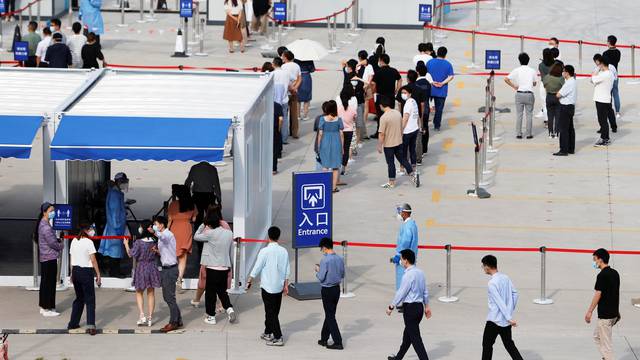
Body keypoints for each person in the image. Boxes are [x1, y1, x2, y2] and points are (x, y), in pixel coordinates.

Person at [247, 226, 291, 347]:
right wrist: (286, 285)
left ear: (268, 236)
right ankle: (268, 332)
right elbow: (287, 269)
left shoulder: (265, 251)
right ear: (278, 236)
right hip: (279, 286)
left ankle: (278, 337)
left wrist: (249, 280)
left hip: (267, 286)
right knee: (273, 311)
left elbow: (257, 267)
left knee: (271, 312)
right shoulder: (284, 251)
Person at [386, 249, 431, 360]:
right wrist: (427, 306)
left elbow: (401, 292)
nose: (400, 261)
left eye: (401, 259)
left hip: (410, 309)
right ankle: (398, 358)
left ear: (406, 260)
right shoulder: (420, 273)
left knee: (415, 338)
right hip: (419, 308)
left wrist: (391, 306)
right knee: (408, 336)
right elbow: (425, 291)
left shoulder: (408, 275)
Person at [193, 212, 237, 325]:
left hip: (212, 267)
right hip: (225, 266)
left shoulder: (209, 233)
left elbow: (196, 236)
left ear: (209, 223)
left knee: (210, 293)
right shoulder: (229, 233)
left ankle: (211, 316)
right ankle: (229, 308)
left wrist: (202, 224)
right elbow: (231, 250)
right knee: (222, 291)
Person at [481, 255, 523, 360]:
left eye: (483, 266)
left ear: (487, 267)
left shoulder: (492, 283)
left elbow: (499, 302)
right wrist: (509, 311)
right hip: (506, 321)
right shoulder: (505, 277)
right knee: (509, 345)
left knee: (487, 345)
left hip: (494, 320)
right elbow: (515, 294)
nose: (483, 268)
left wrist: (509, 317)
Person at [190, 205, 232, 310]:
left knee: (204, 282)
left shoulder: (207, 226)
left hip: (208, 260)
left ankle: (197, 300)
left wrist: (202, 224)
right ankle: (222, 305)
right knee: (222, 285)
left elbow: (197, 237)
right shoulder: (225, 225)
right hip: (223, 260)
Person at [123, 220, 161, 327]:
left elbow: (131, 254)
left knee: (139, 292)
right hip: (152, 267)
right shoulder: (154, 240)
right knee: (151, 293)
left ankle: (142, 315)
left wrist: (126, 244)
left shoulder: (139, 242)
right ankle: (150, 318)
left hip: (141, 267)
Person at [585, 248, 620, 360]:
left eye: (595, 259)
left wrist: (590, 311)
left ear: (600, 259)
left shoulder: (602, 276)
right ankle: (606, 358)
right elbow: (615, 293)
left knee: (606, 347)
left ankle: (608, 358)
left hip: (605, 316)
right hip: (613, 314)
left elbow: (598, 295)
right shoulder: (615, 273)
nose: (594, 262)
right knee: (597, 336)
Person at [378, 96, 419, 189]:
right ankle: (413, 175)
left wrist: (379, 146)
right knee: (403, 159)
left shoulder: (384, 117)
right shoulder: (397, 113)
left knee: (391, 163)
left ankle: (391, 182)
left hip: (388, 145)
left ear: (381, 105)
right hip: (399, 142)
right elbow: (401, 126)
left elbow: (381, 134)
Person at [149, 216, 183, 332]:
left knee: (169, 297)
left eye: (156, 224)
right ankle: (178, 320)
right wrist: (157, 251)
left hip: (170, 269)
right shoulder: (162, 236)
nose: (155, 226)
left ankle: (173, 322)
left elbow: (163, 237)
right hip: (166, 269)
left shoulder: (167, 234)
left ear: (162, 225)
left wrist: (154, 232)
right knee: (168, 297)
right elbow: (166, 251)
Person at [67, 224, 101, 336]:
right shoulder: (89, 242)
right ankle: (91, 326)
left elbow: (72, 259)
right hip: (86, 272)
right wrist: (98, 274)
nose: (92, 231)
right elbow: (93, 260)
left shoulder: (74, 241)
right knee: (90, 300)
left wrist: (72, 274)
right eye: (91, 229)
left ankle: (73, 323)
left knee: (79, 298)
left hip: (76, 271)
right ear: (86, 230)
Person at [315, 237, 345, 350]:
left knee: (330, 316)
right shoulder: (339, 258)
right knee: (330, 314)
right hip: (336, 289)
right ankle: (324, 338)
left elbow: (321, 277)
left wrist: (317, 271)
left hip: (327, 290)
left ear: (324, 247)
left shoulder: (325, 260)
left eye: (321, 249)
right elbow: (342, 274)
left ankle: (338, 341)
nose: (322, 251)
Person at [35, 202, 63, 317]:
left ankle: (43, 306)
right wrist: (61, 245)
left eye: (53, 211)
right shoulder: (45, 227)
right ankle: (47, 308)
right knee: (49, 284)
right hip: (49, 258)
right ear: (44, 212)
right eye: (51, 211)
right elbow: (52, 243)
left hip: (46, 257)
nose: (53, 213)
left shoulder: (43, 224)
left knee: (45, 283)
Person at [99, 172, 128, 278]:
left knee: (116, 250)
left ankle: (116, 270)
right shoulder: (115, 194)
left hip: (116, 226)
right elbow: (114, 211)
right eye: (123, 182)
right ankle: (114, 271)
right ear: (119, 182)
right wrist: (117, 225)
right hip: (115, 227)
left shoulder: (116, 192)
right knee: (114, 250)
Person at [168, 185, 197, 286]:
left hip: (174, 229)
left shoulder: (173, 204)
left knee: (173, 254)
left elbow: (170, 219)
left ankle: (172, 277)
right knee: (183, 257)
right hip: (186, 229)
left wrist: (166, 231)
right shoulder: (192, 204)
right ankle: (180, 278)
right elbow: (194, 219)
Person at [185, 161, 221, 237]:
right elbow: (216, 185)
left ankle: (198, 240)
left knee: (198, 219)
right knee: (211, 217)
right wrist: (219, 199)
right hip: (209, 196)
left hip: (197, 196)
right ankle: (212, 236)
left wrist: (186, 196)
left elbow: (188, 183)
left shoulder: (194, 168)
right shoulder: (212, 168)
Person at [505, 53, 537, 139]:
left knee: (519, 114)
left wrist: (514, 86)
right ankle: (529, 134)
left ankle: (519, 133)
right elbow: (534, 83)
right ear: (528, 60)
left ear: (519, 61)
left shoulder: (516, 70)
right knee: (529, 114)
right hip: (529, 94)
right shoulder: (532, 70)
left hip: (519, 94)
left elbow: (506, 79)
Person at [371, 54, 402, 138]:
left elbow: (373, 84)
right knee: (390, 115)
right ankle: (390, 132)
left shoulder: (378, 72)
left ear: (381, 61)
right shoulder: (394, 71)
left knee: (380, 116)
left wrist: (374, 92)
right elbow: (400, 79)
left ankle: (380, 132)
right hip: (391, 96)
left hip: (381, 96)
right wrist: (397, 89)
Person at [317, 100, 345, 192]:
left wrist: (318, 145)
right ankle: (333, 187)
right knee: (335, 167)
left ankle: (325, 186)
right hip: (336, 142)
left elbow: (320, 134)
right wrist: (342, 147)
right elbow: (341, 134)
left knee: (325, 165)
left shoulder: (322, 119)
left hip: (325, 142)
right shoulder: (339, 119)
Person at [391, 203, 419, 294]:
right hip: (410, 258)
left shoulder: (407, 226)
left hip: (404, 260)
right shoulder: (412, 225)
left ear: (404, 213)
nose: (399, 214)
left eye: (400, 212)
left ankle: (402, 303)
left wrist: (398, 256)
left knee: (402, 282)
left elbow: (405, 243)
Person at [427, 47, 454, 131]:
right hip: (441, 90)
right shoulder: (448, 64)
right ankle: (436, 125)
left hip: (430, 88)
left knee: (426, 107)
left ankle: (424, 123)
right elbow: (451, 76)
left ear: (437, 52)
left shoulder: (430, 62)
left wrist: (432, 82)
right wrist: (442, 83)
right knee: (439, 109)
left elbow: (426, 74)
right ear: (445, 55)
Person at [591, 55, 615, 147]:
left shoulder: (605, 74)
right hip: (602, 98)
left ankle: (605, 139)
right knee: (602, 120)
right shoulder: (607, 73)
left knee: (603, 120)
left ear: (602, 64)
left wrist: (595, 72)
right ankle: (604, 137)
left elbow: (593, 79)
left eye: (599, 64)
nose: (598, 66)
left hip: (602, 99)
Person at [341, 59, 365, 150]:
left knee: (348, 124)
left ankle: (349, 144)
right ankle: (356, 142)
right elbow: (362, 88)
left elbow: (342, 64)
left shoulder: (347, 75)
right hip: (357, 103)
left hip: (347, 104)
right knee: (357, 125)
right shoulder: (358, 77)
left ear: (350, 67)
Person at [554, 65, 577, 156]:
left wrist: (557, 93)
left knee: (563, 129)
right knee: (570, 128)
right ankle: (571, 148)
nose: (562, 73)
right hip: (571, 107)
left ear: (567, 73)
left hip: (565, 107)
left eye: (563, 71)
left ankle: (563, 150)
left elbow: (558, 95)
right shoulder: (573, 81)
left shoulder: (568, 83)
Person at [399, 85, 421, 172]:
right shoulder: (414, 101)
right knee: (412, 150)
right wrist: (419, 126)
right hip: (414, 129)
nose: (403, 94)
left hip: (407, 131)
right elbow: (417, 115)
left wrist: (401, 130)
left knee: (403, 152)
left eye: (405, 93)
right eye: (402, 93)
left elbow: (405, 117)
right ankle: (414, 167)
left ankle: (402, 168)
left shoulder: (407, 104)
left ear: (410, 94)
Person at [282, 50, 302, 139]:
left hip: (286, 92)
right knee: (294, 113)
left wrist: (290, 88)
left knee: (284, 114)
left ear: (286, 57)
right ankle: (294, 132)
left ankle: (284, 132)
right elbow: (299, 78)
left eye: (282, 56)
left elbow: (284, 79)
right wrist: (295, 88)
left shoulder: (283, 66)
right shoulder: (297, 65)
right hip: (295, 91)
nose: (282, 58)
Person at [337, 85, 357, 176]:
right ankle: (343, 168)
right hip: (349, 131)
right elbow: (354, 119)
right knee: (346, 148)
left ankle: (337, 166)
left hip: (339, 130)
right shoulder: (352, 109)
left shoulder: (338, 109)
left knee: (339, 149)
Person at [415, 62, 433, 160]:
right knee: (425, 127)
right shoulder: (428, 83)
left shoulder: (416, 83)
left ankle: (419, 150)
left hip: (418, 107)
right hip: (426, 107)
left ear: (417, 72)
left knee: (418, 129)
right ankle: (425, 149)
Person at [542, 62, 565, 138]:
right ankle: (557, 132)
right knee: (558, 116)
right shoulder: (561, 78)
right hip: (558, 97)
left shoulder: (547, 77)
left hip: (549, 96)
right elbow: (564, 87)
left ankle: (550, 132)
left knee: (550, 116)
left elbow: (544, 85)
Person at [272, 57, 291, 144]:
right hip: (284, 99)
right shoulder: (286, 73)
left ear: (274, 64)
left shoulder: (272, 74)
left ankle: (276, 137)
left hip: (275, 101)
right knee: (284, 119)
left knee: (275, 120)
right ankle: (284, 138)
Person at [356, 51, 374, 141]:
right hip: (366, 86)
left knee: (362, 107)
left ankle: (363, 123)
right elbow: (371, 77)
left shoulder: (358, 65)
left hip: (362, 87)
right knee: (365, 106)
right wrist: (367, 85)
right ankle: (364, 123)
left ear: (359, 57)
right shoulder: (369, 66)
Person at [603, 35, 621, 118]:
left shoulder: (605, 53)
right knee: (616, 93)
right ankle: (617, 112)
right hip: (615, 75)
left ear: (609, 42)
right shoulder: (618, 52)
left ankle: (608, 111)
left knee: (608, 94)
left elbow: (604, 64)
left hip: (608, 75)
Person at [536, 48, 555, 120]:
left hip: (544, 85)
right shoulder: (555, 64)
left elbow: (543, 77)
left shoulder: (541, 65)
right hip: (554, 83)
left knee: (544, 104)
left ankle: (547, 120)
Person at [273, 100, 283, 174]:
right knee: (274, 150)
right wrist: (279, 129)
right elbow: (281, 119)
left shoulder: (263, 105)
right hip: (275, 129)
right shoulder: (278, 106)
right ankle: (273, 169)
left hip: (265, 129)